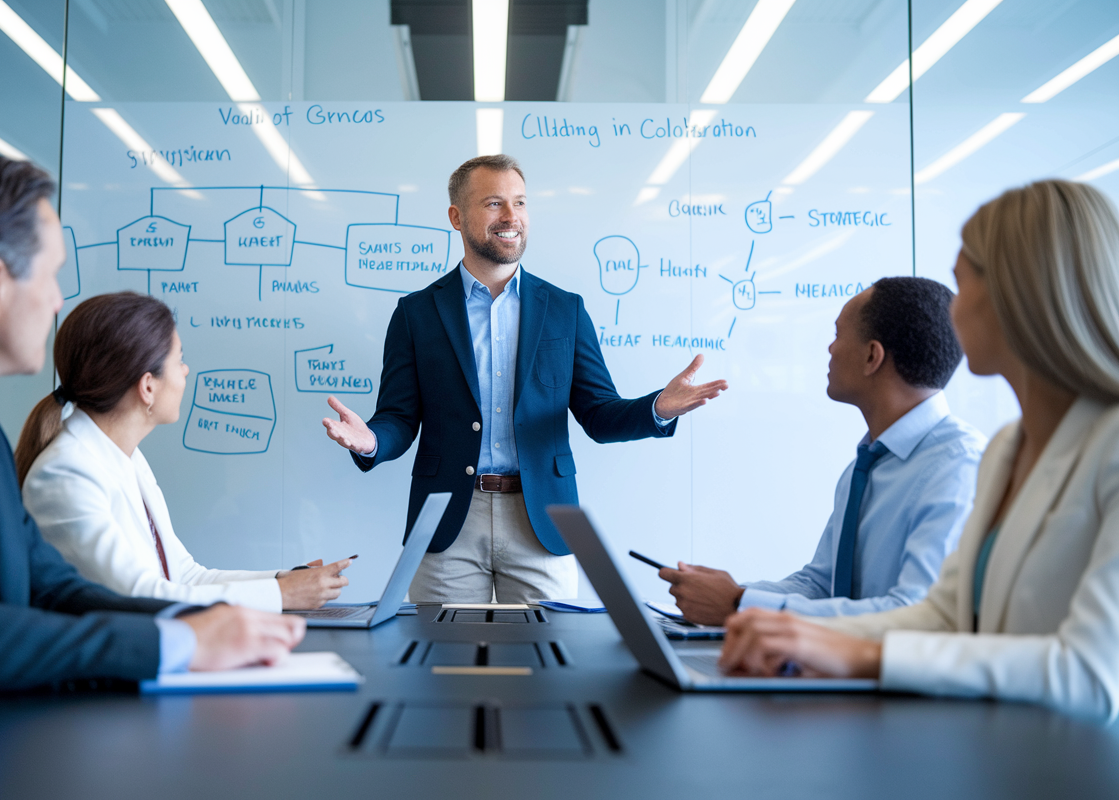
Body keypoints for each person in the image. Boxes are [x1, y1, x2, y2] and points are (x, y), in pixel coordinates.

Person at [0, 149, 303, 705]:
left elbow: (53, 589)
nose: (59, 299)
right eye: (52, 273)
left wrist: (219, 621)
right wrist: (175, 643)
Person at [718, 179, 1119, 721]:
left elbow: (1093, 677)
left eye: (963, 283)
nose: (950, 313)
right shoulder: (1007, 449)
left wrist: (860, 653)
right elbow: (942, 616)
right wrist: (788, 630)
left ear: (1018, 295)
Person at [321, 154, 728, 603]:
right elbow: (399, 417)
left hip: (542, 519)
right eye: (494, 203)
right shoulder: (416, 313)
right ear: (457, 217)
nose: (511, 217)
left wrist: (656, 409)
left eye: (519, 202)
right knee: (442, 664)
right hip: (447, 520)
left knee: (549, 665)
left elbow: (599, 414)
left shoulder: (565, 309)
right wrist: (372, 440)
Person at [660, 278, 986, 624]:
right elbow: (820, 584)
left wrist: (742, 604)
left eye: (837, 336)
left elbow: (913, 612)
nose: (830, 349)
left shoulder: (959, 465)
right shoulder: (867, 465)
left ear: (872, 356)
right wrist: (724, 595)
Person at [17, 292, 350, 612]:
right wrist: (280, 595)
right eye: (179, 360)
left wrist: (283, 580)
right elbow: (141, 597)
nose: (186, 371)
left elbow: (185, 576)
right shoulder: (65, 474)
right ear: (148, 386)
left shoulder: (126, 457)